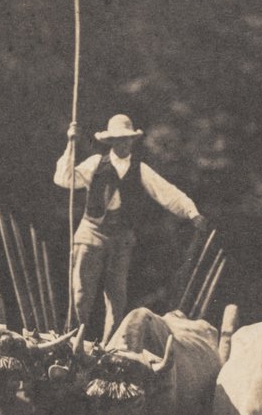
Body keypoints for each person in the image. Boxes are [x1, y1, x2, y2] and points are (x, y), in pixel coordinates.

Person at [54, 114, 208, 342]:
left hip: (121, 238)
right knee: (81, 293)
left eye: (126, 139)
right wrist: (71, 143)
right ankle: (75, 338)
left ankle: (109, 346)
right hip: (91, 232)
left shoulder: (140, 169)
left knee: (117, 297)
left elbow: (166, 192)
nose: (122, 144)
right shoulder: (96, 163)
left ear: (132, 141)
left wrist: (191, 212)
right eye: (117, 139)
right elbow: (65, 179)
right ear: (111, 142)